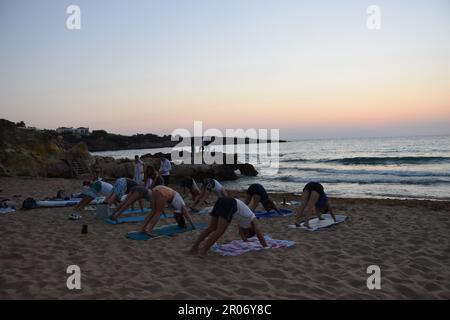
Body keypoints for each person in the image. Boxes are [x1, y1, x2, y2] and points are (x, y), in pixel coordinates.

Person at [190, 197, 268, 257]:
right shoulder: (253, 219)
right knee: (220, 230)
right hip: (231, 203)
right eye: (246, 233)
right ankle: (203, 251)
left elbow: (240, 233)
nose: (244, 233)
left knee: (212, 227)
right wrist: (265, 246)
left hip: (222, 200)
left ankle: (194, 247)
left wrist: (246, 240)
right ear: (250, 230)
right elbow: (258, 232)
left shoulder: (243, 222)